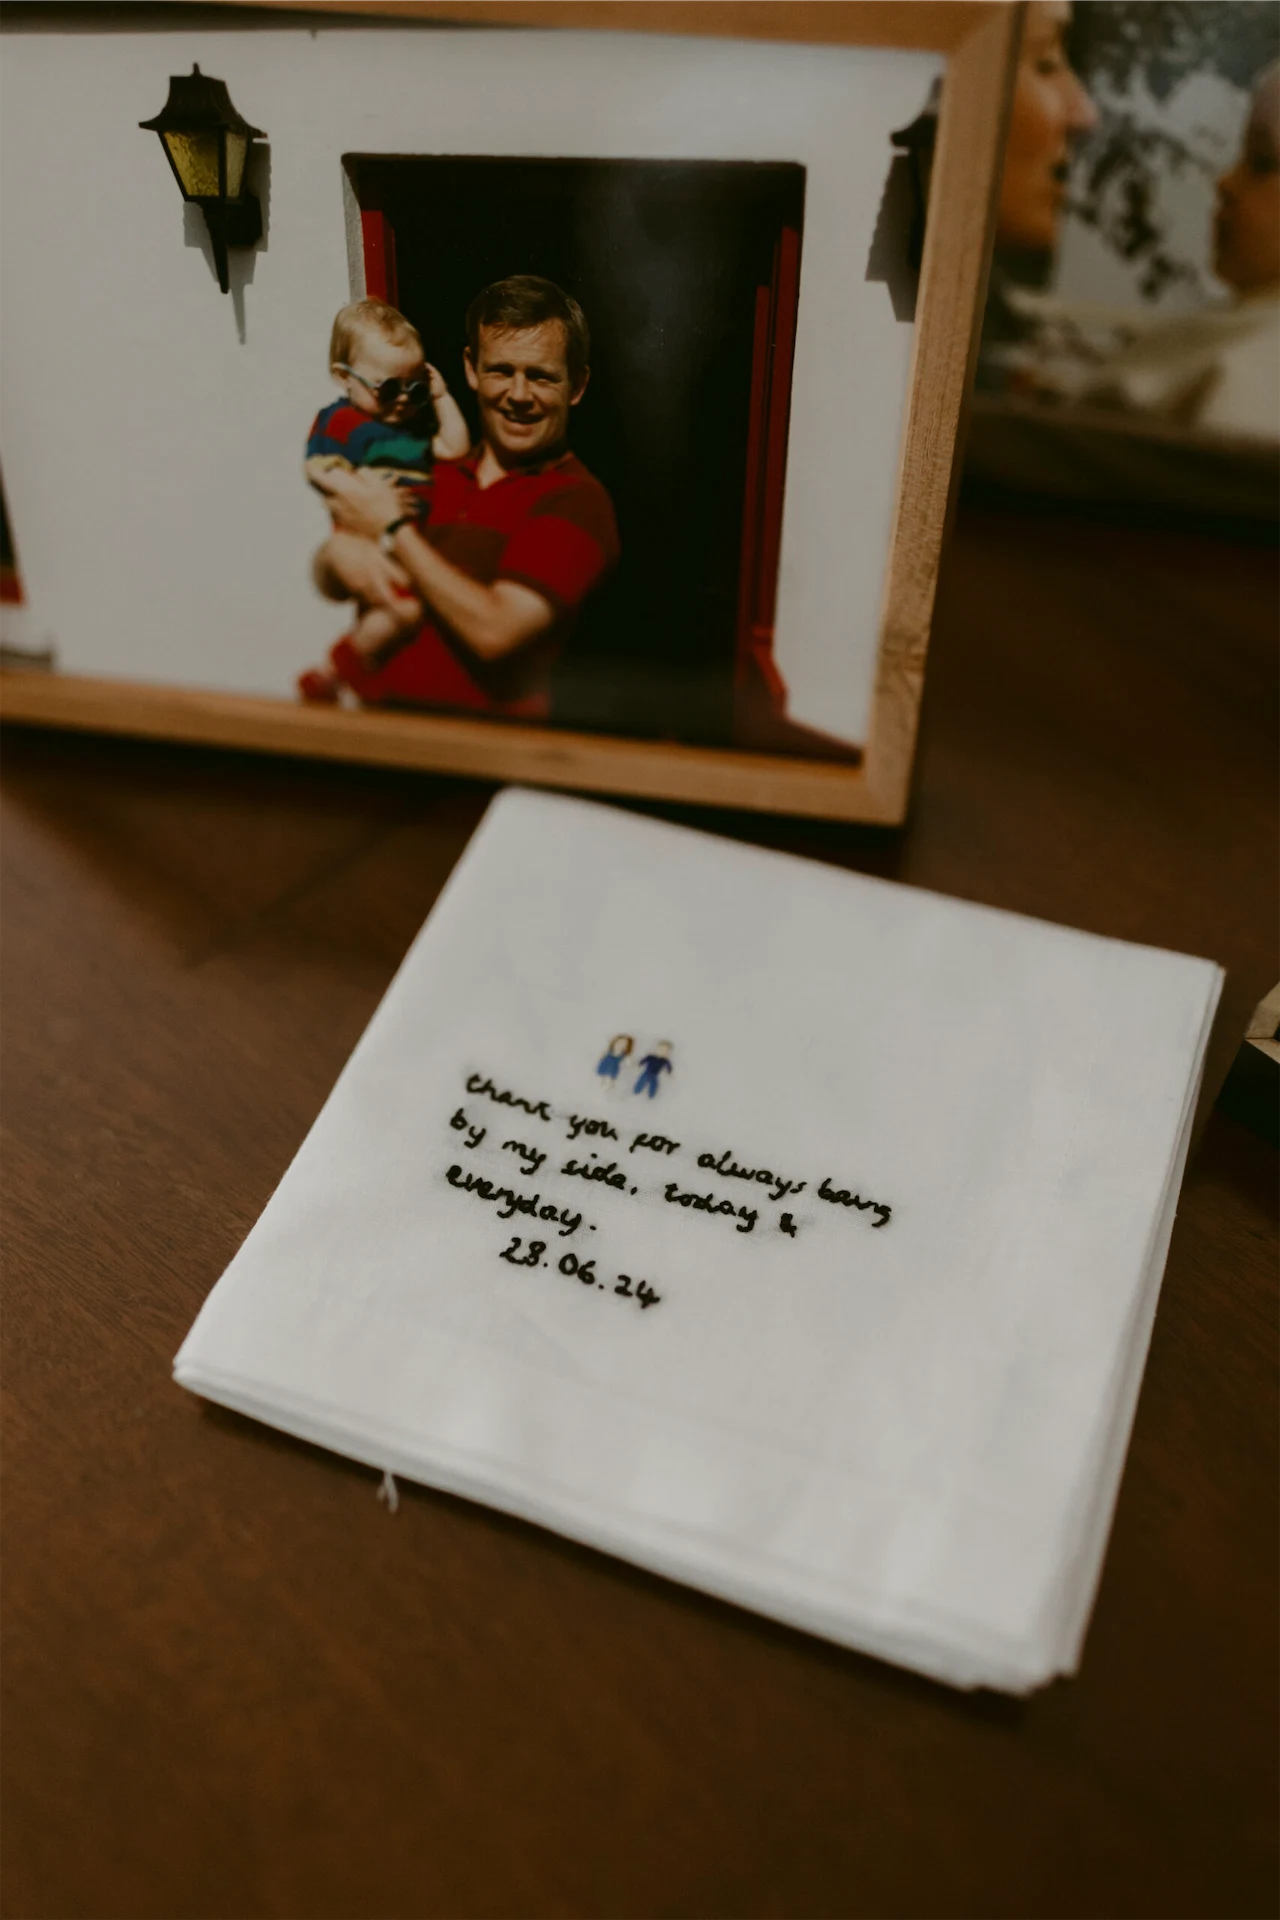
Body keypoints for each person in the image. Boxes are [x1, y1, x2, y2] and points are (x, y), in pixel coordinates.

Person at [305, 275, 620, 718]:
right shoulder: (430, 467)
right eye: (501, 371)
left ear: (577, 385)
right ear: (471, 369)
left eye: (541, 376)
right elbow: (332, 581)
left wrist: (393, 529)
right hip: (378, 736)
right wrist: (335, 559)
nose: (518, 394)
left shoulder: (577, 501)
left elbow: (495, 631)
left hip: (480, 752)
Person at [297, 300, 470, 702]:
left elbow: (454, 447)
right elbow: (319, 469)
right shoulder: (341, 421)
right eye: (389, 388)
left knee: (405, 608)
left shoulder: (412, 429)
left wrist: (441, 396)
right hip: (365, 539)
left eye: (415, 387)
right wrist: (371, 499)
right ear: (344, 377)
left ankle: (347, 674)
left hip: (401, 542)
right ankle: (339, 671)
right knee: (406, 609)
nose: (403, 400)